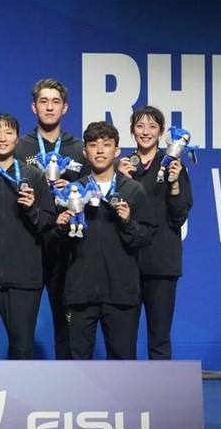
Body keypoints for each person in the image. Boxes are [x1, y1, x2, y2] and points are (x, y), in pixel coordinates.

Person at [57, 121, 156, 360]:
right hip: (80, 292)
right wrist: (61, 227)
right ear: (85, 152)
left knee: (123, 363)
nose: (100, 150)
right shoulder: (73, 191)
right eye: (93, 145)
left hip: (121, 292)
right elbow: (58, 246)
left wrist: (128, 221)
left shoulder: (133, 190)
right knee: (77, 365)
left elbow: (146, 236)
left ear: (117, 151)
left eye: (106, 145)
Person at [0, 114, 56, 359]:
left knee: (23, 351)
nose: (2, 138)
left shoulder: (34, 177)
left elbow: (48, 223)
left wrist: (31, 210)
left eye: (8, 132)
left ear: (17, 138)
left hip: (24, 280)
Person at [14, 78, 87, 360]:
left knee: (66, 322)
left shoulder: (79, 148)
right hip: (29, 245)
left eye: (55, 102)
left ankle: (68, 388)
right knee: (22, 324)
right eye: (43, 101)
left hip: (67, 246)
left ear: (65, 108)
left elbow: (92, 189)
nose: (49, 107)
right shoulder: (20, 147)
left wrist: (71, 188)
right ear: (34, 107)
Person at [117, 106, 193, 359]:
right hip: (126, 261)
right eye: (140, 126)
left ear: (161, 132)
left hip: (161, 263)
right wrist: (120, 182)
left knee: (159, 337)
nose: (145, 132)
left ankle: (161, 398)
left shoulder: (173, 166)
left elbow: (179, 215)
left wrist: (173, 184)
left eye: (152, 127)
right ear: (131, 131)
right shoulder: (123, 167)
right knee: (123, 339)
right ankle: (121, 395)